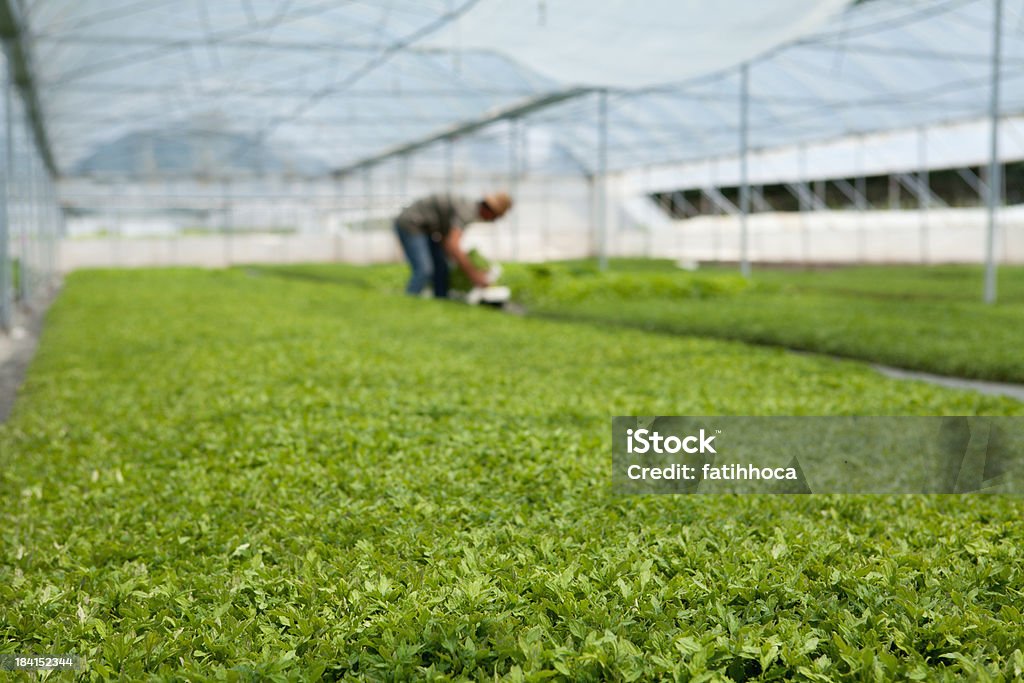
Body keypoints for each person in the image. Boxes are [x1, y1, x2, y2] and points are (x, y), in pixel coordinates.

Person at [394, 191, 512, 298]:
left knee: (442, 267)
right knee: (424, 269)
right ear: (489, 210)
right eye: (495, 217)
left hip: (426, 229)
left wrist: (458, 261)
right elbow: (453, 245)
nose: (492, 221)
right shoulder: (467, 211)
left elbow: (446, 241)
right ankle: (408, 300)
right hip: (411, 223)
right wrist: (474, 274)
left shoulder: (467, 208)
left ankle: (441, 301)